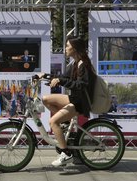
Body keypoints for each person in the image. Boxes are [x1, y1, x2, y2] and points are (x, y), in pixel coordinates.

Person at [34, 37, 96, 167]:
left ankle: (66, 154)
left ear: (75, 48)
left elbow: (81, 85)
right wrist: (44, 76)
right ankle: (65, 123)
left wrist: (61, 81)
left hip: (81, 102)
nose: (65, 48)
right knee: (45, 99)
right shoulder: (75, 63)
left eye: (67, 46)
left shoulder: (83, 64)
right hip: (75, 98)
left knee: (53, 122)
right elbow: (62, 77)